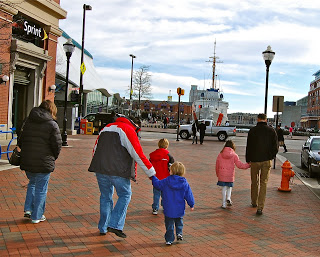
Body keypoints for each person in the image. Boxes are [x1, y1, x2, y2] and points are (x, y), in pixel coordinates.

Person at [88, 116, 156, 238]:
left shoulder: (106, 128)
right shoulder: (127, 130)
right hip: (118, 171)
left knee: (105, 197)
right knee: (125, 195)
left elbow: (95, 149)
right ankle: (115, 224)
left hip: (101, 168)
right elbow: (137, 153)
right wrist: (151, 173)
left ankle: (103, 227)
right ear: (133, 123)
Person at [19, 100, 62, 223]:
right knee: (41, 188)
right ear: (52, 110)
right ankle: (37, 216)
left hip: (28, 159)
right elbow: (57, 145)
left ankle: (28, 209)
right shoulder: (52, 124)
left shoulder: (27, 121)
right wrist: (53, 157)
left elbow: (20, 139)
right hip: (44, 161)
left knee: (32, 183)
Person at [152, 162, 194, 246]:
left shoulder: (166, 181)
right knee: (179, 220)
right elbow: (188, 194)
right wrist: (191, 204)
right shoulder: (184, 183)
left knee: (169, 224)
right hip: (179, 207)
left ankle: (169, 239)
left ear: (171, 171)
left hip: (168, 207)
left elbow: (157, 184)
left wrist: (153, 177)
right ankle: (179, 233)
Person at [245, 113, 278, 215]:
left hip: (254, 160)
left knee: (254, 182)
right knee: (264, 183)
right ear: (266, 119)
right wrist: (270, 156)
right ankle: (260, 207)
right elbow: (275, 147)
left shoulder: (252, 131)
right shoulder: (272, 131)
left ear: (258, 119)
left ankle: (254, 201)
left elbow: (248, 146)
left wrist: (248, 159)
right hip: (266, 160)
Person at [216, 140, 250, 209]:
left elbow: (217, 165)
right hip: (230, 175)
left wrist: (217, 174)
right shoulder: (234, 155)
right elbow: (240, 165)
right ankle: (228, 197)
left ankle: (223, 204)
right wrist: (248, 165)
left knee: (224, 188)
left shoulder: (220, 154)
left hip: (222, 174)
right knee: (229, 187)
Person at [149, 138, 175, 215]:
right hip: (166, 178)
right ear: (167, 146)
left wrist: (151, 176)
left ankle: (155, 208)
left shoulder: (152, 155)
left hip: (156, 178)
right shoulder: (169, 156)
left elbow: (149, 167)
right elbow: (171, 168)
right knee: (165, 194)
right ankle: (165, 206)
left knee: (156, 194)